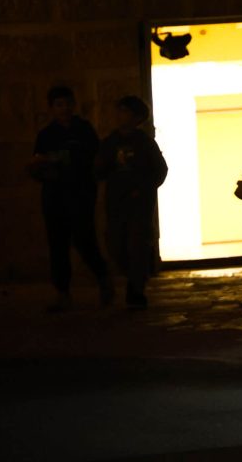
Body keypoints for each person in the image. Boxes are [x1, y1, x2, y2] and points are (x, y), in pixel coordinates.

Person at [29, 84, 111, 311]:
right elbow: (37, 163)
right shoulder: (46, 135)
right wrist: (45, 166)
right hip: (54, 195)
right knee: (57, 243)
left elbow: (96, 158)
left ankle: (102, 276)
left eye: (67, 104)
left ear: (73, 105)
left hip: (81, 193)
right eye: (59, 105)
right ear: (51, 108)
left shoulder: (84, 130)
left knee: (84, 239)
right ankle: (62, 292)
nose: (64, 109)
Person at [96, 95, 167, 309]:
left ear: (136, 117)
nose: (120, 115)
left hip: (139, 204)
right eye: (119, 110)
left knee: (137, 245)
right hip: (116, 203)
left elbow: (160, 170)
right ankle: (132, 276)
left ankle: (136, 289)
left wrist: (143, 189)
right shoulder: (110, 142)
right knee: (116, 245)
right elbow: (99, 170)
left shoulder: (145, 143)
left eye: (125, 111)